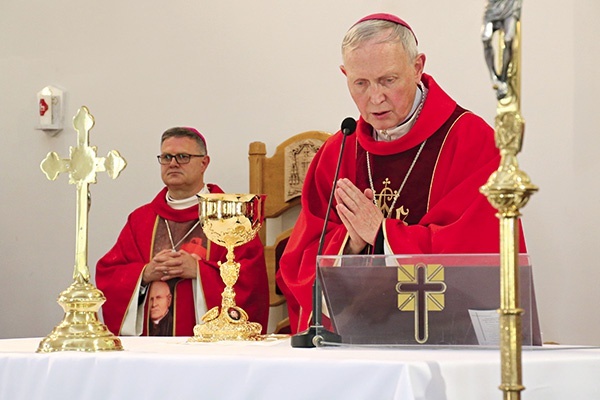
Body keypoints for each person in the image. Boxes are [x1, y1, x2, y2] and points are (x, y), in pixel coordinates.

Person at [276, 13, 527, 334]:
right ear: (345, 75)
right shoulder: (338, 152)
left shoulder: (470, 140)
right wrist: (350, 244)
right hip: (357, 338)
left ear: (418, 67)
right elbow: (299, 263)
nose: (375, 98)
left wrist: (383, 234)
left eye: (388, 80)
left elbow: (485, 251)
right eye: (360, 83)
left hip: (449, 335)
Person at [96, 127, 269, 336]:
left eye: (183, 157)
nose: (173, 163)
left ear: (204, 163)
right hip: (152, 350)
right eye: (166, 157)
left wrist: (199, 271)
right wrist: (145, 274)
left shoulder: (233, 217)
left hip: (212, 351)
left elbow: (252, 281)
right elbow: (110, 275)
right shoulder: (141, 219)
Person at [482, 0, 522, 99]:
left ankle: (504, 78)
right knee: (485, 38)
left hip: (510, 6)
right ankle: (493, 76)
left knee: (509, 39)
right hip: (492, 7)